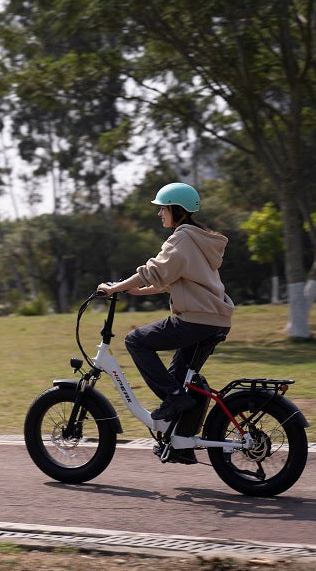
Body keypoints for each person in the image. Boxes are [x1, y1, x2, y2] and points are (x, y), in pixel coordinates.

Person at [97, 182, 234, 427]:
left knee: (135, 341)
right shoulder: (199, 239)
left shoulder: (182, 238)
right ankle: (182, 445)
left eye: (163, 208)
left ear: (177, 210)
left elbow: (154, 270)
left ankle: (173, 398)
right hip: (215, 320)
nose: (160, 213)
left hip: (195, 319)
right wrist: (140, 291)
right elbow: (177, 277)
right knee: (181, 381)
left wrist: (113, 289)